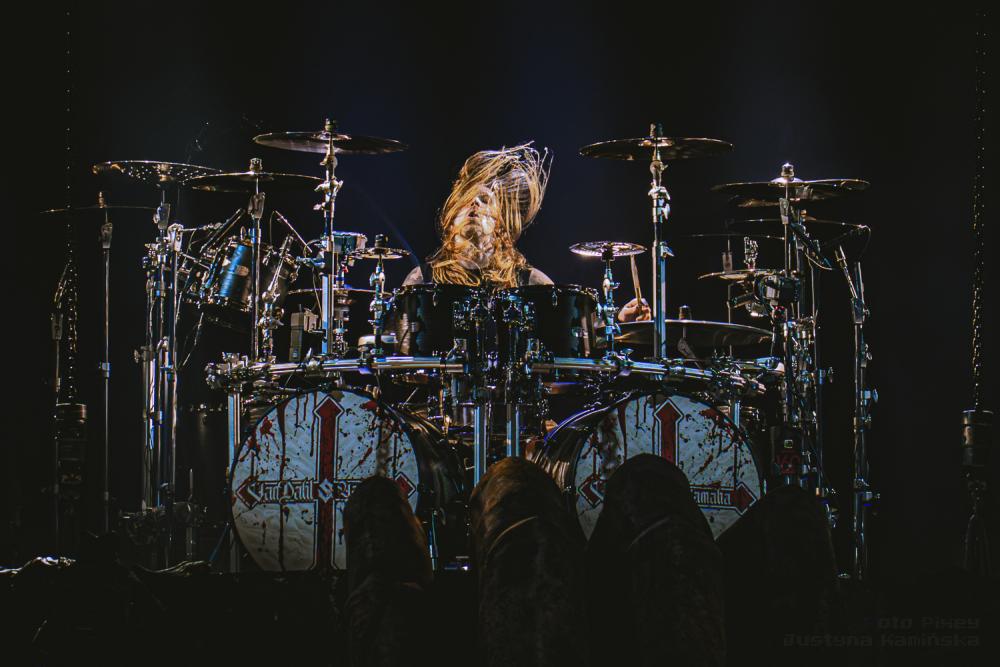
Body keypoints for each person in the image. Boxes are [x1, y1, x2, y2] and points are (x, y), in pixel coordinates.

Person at [402, 143, 553, 288]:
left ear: (499, 224)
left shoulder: (530, 281)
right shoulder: (421, 279)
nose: (475, 202)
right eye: (465, 201)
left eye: (485, 200)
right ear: (450, 220)